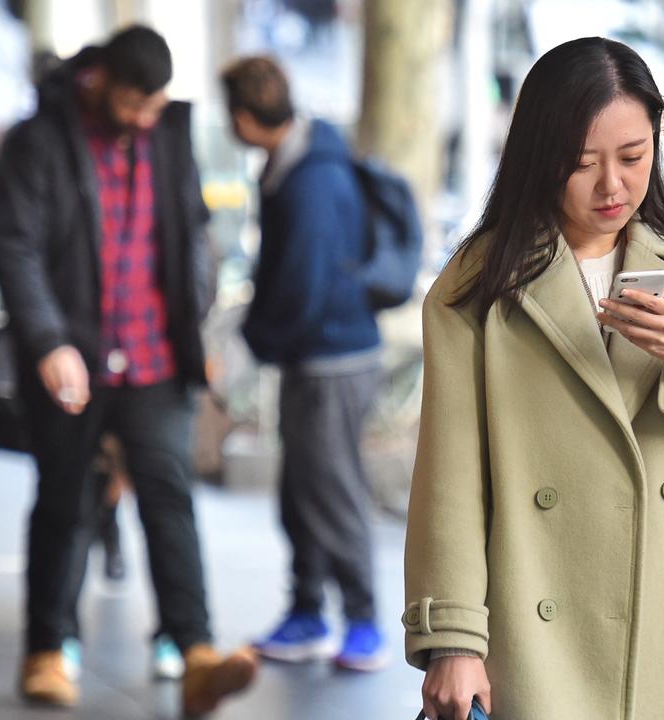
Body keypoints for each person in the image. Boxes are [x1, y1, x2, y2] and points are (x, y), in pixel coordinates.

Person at [403, 36, 664, 720]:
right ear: (538, 159)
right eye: (582, 164)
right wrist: (452, 639)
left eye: (633, 157)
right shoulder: (476, 289)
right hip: (535, 643)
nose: (613, 186)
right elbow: (451, 478)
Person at [0, 25, 256, 712]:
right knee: (66, 502)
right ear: (102, 80)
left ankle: (194, 652)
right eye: (135, 104)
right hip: (71, 360)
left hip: (157, 356)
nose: (143, 119)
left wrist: (195, 322)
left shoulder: (167, 133)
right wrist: (46, 341)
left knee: (171, 499)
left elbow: (192, 232)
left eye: (154, 106)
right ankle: (48, 650)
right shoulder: (40, 138)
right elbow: (12, 242)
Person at [219, 55, 389, 672]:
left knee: (333, 489)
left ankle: (364, 620)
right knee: (300, 490)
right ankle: (309, 612)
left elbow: (301, 283)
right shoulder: (294, 160)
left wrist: (250, 346)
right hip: (313, 356)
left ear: (242, 115)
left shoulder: (311, 175)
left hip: (334, 360)